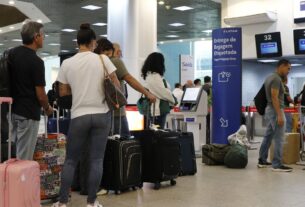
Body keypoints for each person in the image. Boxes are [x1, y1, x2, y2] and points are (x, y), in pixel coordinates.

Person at [52, 24, 120, 207]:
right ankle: (92, 202)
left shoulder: (67, 63)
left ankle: (63, 202)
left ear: (77, 42)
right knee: (97, 159)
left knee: (71, 160)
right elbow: (117, 87)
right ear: (93, 42)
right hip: (101, 114)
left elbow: (64, 92)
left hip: (79, 115)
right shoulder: (102, 60)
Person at [9, 21, 53, 160]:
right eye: (43, 35)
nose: (44, 38)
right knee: (24, 158)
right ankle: (20, 182)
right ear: (36, 37)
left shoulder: (11, 54)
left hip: (10, 111)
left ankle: (10, 180)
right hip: (28, 113)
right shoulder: (36, 62)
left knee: (13, 154)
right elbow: (41, 95)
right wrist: (47, 108)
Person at [94, 39, 156, 137]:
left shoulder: (93, 62)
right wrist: (147, 93)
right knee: (123, 142)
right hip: (116, 112)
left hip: (97, 112)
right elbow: (129, 79)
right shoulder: (115, 61)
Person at [257, 59, 292, 172]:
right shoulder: (276, 79)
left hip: (270, 110)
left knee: (268, 136)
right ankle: (277, 164)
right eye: (288, 68)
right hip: (275, 110)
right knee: (279, 138)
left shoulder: (269, 76)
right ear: (282, 66)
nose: (288, 71)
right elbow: (274, 96)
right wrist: (280, 115)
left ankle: (262, 160)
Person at [141, 52, 176, 129]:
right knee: (158, 134)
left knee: (154, 133)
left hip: (154, 109)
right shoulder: (154, 77)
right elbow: (163, 92)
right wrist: (174, 100)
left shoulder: (149, 76)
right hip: (157, 110)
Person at [202, 76, 212, 143]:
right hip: (209, 108)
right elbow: (209, 99)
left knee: (205, 124)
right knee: (209, 124)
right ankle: (209, 139)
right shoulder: (210, 87)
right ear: (210, 80)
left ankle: (205, 139)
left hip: (202, 108)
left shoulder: (202, 87)